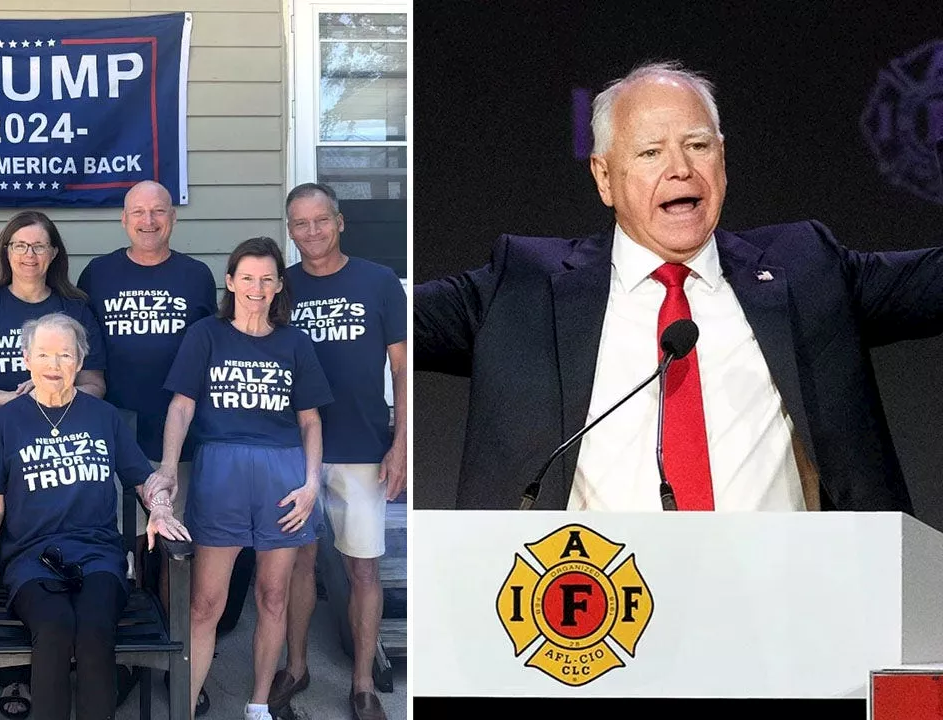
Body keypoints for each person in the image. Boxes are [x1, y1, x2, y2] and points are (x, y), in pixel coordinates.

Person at [413, 60, 943, 513]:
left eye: (697, 145)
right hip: (595, 612)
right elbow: (377, 312)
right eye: (650, 153)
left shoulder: (806, 268)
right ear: (604, 177)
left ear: (723, 160)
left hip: (788, 599)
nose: (681, 169)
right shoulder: (523, 286)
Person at [0, 312, 189, 720]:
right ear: (25, 359)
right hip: (31, 559)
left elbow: (143, 480)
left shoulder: (103, 417)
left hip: (99, 556)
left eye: (65, 355)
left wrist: (161, 508)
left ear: (80, 362)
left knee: (96, 629)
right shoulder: (8, 420)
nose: (54, 365)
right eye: (44, 354)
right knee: (56, 628)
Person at [156, 237, 333, 720]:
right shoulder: (205, 336)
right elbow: (181, 406)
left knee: (273, 595)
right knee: (204, 603)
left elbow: (311, 420)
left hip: (282, 475)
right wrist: (170, 470)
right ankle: (185, 708)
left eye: (267, 278)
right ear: (231, 282)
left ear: (279, 286)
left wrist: (312, 484)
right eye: (247, 278)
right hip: (221, 473)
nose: (257, 287)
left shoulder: (294, 342)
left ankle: (258, 705)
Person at [0, 209, 107, 718]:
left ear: (54, 254)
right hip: (5, 457)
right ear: (6, 252)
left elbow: (97, 385)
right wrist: (13, 400)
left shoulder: (76, 309)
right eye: (20, 245)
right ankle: (16, 679)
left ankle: (66, 673)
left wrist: (53, 392)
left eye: (40, 246)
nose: (30, 255)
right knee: (12, 564)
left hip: (65, 460)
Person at [76, 180, 218, 715]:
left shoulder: (196, 276)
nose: (150, 220)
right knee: (121, 548)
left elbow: (211, 354)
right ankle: (120, 656)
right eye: (139, 211)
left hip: (174, 437)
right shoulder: (99, 274)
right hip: (108, 435)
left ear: (173, 219)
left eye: (160, 211)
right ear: (124, 219)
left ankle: (174, 658)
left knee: (169, 548)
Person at [272, 182, 407, 720]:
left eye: (320, 221)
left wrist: (402, 444)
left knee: (365, 571)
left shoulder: (377, 282)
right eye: (300, 224)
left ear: (340, 221)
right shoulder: (279, 286)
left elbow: (401, 369)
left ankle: (361, 686)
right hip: (292, 449)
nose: (311, 232)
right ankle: (297, 666)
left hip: (362, 446)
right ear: (290, 229)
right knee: (298, 564)